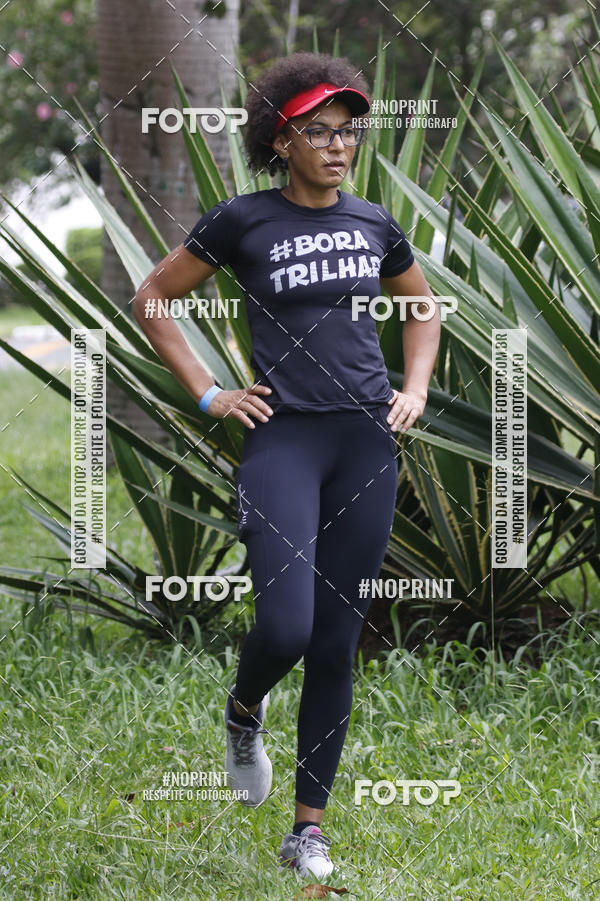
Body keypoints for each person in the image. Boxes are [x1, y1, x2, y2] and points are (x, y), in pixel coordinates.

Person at [133, 51, 441, 881]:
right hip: (286, 441)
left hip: (364, 444)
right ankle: (243, 710)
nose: (338, 146)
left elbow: (423, 308)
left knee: (337, 644)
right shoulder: (244, 220)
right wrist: (208, 393)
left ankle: (307, 828)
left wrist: (413, 387)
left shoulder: (375, 222)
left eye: (348, 132)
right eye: (318, 131)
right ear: (282, 137)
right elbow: (152, 298)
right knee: (285, 627)